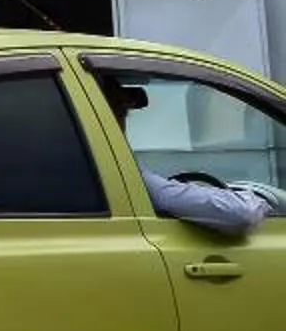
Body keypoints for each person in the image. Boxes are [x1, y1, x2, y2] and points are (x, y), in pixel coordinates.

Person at [102, 79, 271, 238]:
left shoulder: (94, 170)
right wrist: (254, 200)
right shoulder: (113, 172)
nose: (122, 127)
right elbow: (239, 214)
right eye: (121, 115)